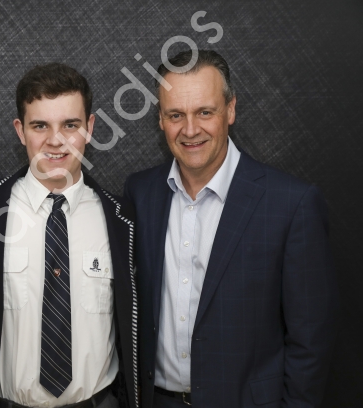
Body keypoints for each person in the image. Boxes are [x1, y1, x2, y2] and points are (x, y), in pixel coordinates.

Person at [124, 49, 338, 408]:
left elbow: (311, 341)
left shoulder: (291, 204)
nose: (190, 129)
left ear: (231, 109)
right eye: (176, 115)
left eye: (205, 112)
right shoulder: (140, 193)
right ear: (160, 119)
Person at [0, 63, 138, 408]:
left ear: (90, 127)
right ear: (20, 131)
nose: (55, 140)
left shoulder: (124, 220)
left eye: (70, 125)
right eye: (40, 126)